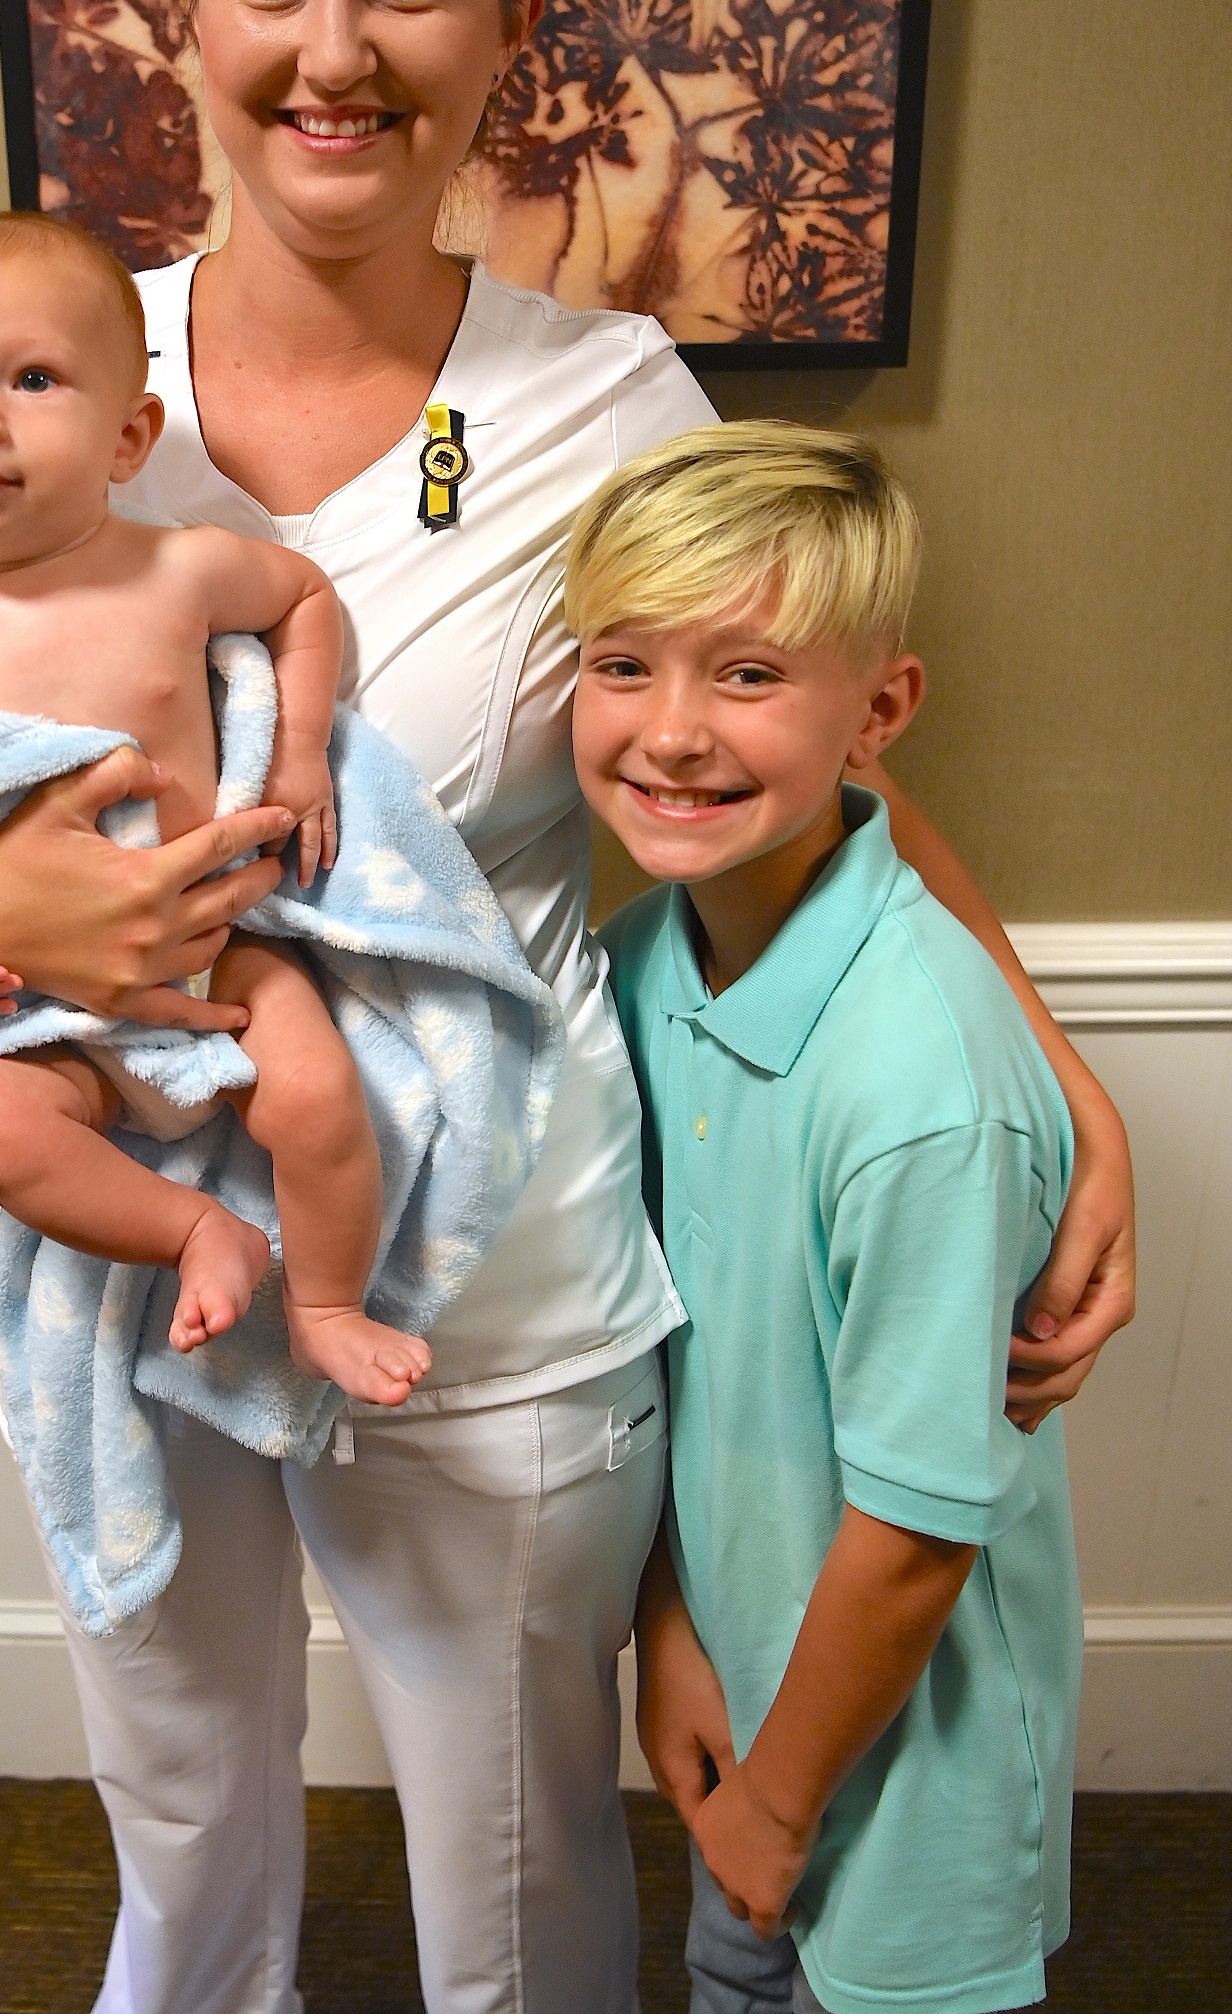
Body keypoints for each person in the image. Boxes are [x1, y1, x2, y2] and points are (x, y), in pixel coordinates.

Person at [0, 0, 1131, 2014]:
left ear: (515, 23)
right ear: (183, 6)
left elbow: (777, 725)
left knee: (517, 1875)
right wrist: (2, 916)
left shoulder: (608, 397)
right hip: (123, 1250)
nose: (332, 49)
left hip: (488, 1264)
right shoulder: (33, 358)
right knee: (175, 1818)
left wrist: (1064, 1075)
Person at [0, 210, 433, 1405]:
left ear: (129, 435)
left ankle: (325, 1302)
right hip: (33, 1016)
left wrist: (304, 753)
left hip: (215, 969)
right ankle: (188, 1231)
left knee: (322, 1093)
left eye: (31, 377)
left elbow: (305, 597)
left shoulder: (174, 568)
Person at [574, 423, 1082, 2014]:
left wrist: (777, 1809)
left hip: (899, 1780)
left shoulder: (920, 1085)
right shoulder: (644, 961)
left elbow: (924, 1529)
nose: (669, 733)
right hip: (748, 1693)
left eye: (747, 676)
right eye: (623, 663)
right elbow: (675, 1348)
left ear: (880, 714)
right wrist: (672, 1627)